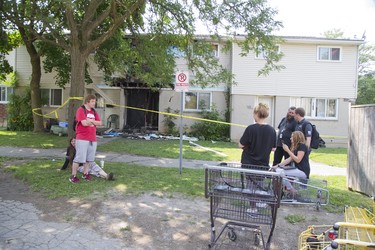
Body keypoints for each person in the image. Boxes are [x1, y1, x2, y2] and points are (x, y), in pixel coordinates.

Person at [70, 94, 102, 183]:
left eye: (94, 102)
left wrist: (90, 121)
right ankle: (73, 176)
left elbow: (99, 123)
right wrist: (93, 122)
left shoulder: (94, 112)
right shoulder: (81, 110)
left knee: (88, 159)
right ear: (87, 101)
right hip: (82, 138)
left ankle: (85, 173)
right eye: (92, 101)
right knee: (79, 158)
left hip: (92, 138)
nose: (94, 103)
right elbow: (84, 123)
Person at [239, 103, 276, 167]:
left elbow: (241, 145)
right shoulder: (272, 130)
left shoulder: (250, 128)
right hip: (263, 165)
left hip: (248, 163)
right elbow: (273, 149)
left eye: (253, 113)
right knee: (260, 177)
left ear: (256, 114)